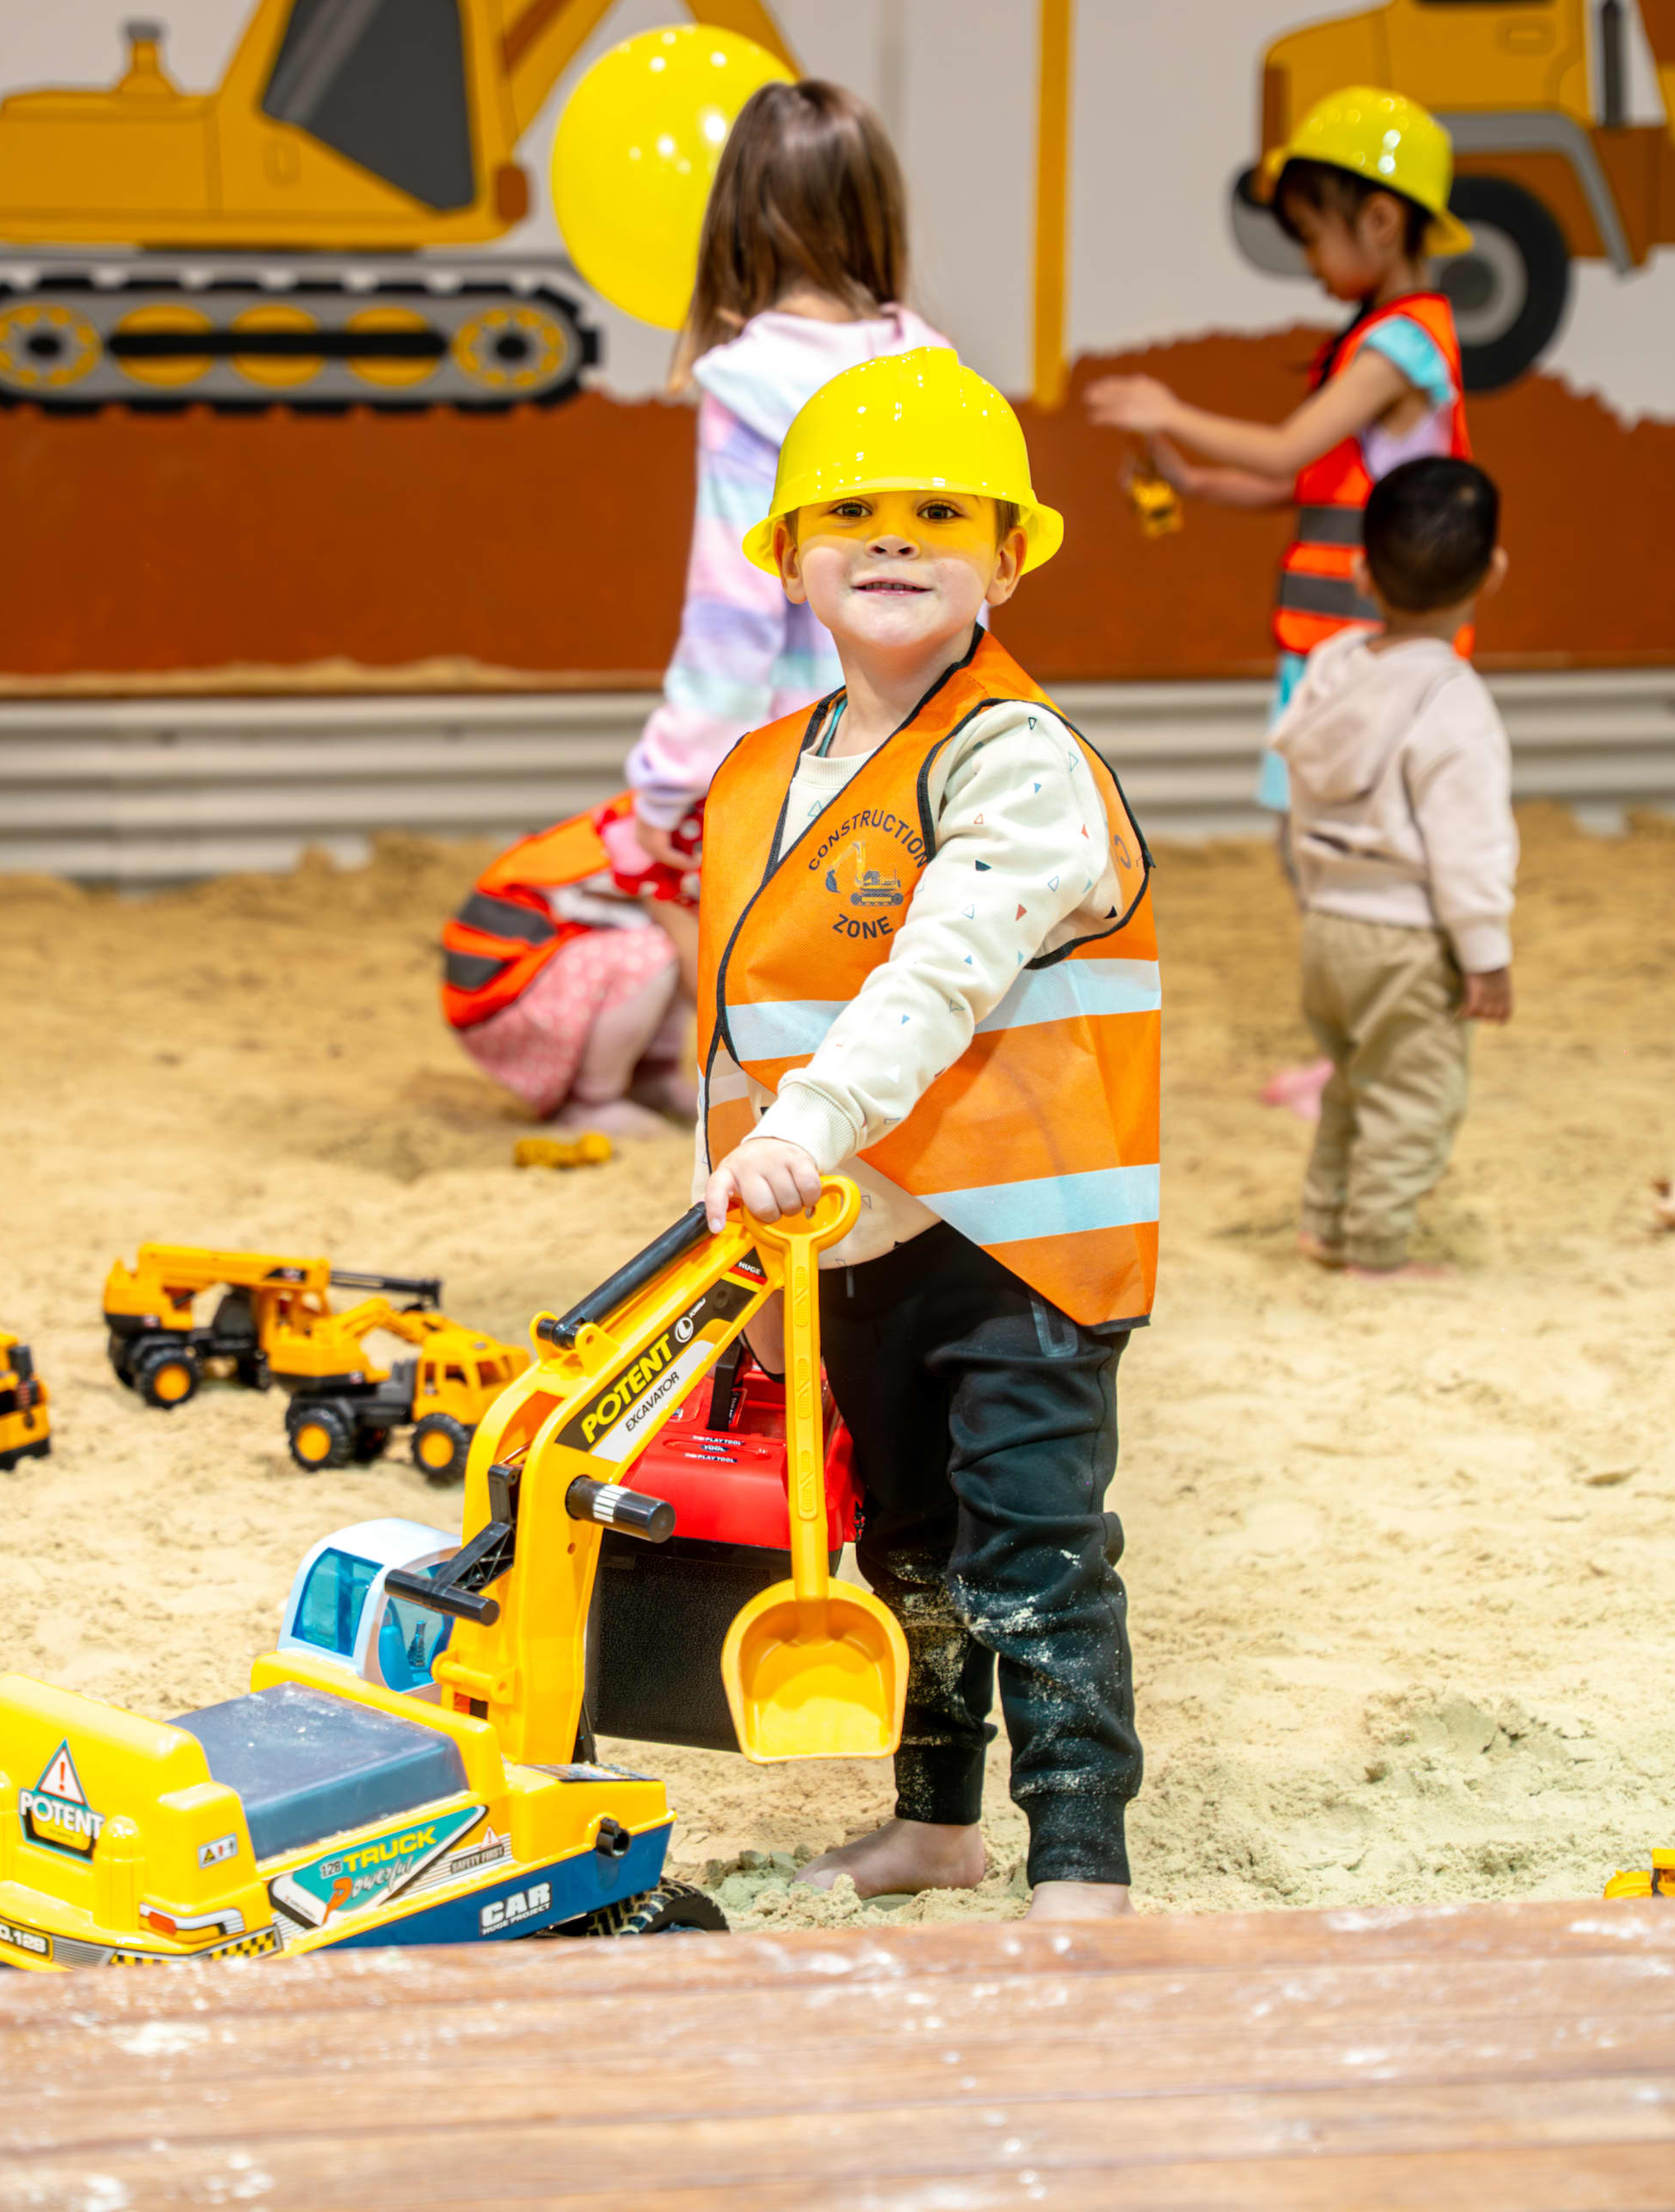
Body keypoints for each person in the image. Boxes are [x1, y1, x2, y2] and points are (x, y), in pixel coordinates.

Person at [691, 352, 1158, 1923]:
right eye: (854, 512)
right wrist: (752, 1230)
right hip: (858, 1240)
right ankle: (936, 1825)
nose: (895, 537)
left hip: (1021, 1243)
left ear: (1008, 560)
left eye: (943, 514)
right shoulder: (770, 770)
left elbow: (942, 966)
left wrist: (809, 1127)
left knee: (1036, 1554)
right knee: (902, 1551)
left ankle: (1081, 1861)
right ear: (789, 556)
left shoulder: (1015, 756)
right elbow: (739, 1023)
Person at [1082, 84, 1475, 1114]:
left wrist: (1172, 408)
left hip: (1374, 658)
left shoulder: (1404, 344)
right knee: (1320, 852)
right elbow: (1306, 477)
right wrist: (1190, 471)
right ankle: (1360, 1052)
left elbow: (1291, 446)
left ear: (1380, 220)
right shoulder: (1377, 338)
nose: (1308, 259)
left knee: (1355, 856)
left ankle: (1383, 1051)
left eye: (1312, 233)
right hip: (1335, 648)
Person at [619, 78, 949, 880]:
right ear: (878, 211)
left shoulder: (745, 389)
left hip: (801, 773)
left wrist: (668, 786)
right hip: (935, 756)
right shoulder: (935, 370)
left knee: (651, 885)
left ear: (736, 223)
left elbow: (734, 617)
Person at [1273, 457, 1515, 1280]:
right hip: (1407, 941)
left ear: (1362, 573)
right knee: (1413, 1096)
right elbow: (1470, 847)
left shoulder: (1332, 667)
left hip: (1327, 929)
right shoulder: (1454, 700)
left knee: (1352, 1078)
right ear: (1492, 572)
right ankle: (1377, 1252)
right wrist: (1485, 954)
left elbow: (1301, 788)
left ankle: (1325, 1223)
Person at [440, 792, 697, 1135]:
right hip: (499, 996)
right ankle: (592, 1102)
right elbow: (699, 969)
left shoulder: (674, 808)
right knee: (656, 953)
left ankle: (651, 1078)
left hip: (530, 975)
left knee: (675, 946)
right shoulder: (673, 834)